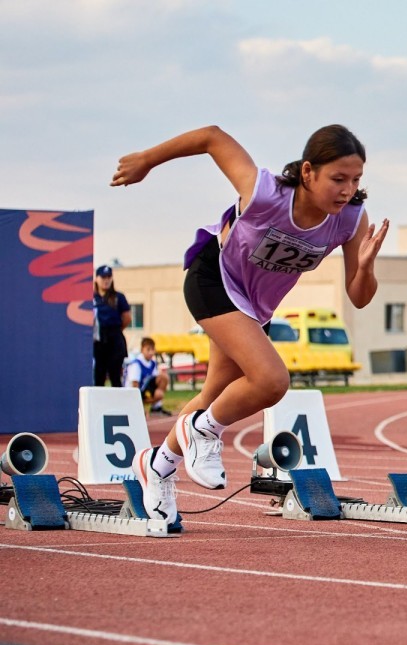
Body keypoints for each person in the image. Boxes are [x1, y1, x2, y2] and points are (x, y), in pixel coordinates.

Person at [111, 124, 390, 522]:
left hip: (255, 308)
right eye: (338, 179)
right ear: (308, 172)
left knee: (214, 396)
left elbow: (359, 297)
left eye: (356, 180)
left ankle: (157, 466)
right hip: (214, 279)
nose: (347, 190)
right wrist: (147, 160)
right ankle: (203, 431)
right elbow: (211, 137)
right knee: (271, 381)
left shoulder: (349, 219)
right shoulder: (265, 192)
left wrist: (365, 266)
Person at [92, 265, 131, 386]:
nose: (106, 280)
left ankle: (118, 398)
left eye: (109, 277)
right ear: (97, 278)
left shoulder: (118, 297)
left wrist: (117, 330)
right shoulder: (92, 298)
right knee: (99, 375)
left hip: (114, 338)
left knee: (115, 376)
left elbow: (127, 317)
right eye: (103, 277)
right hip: (98, 339)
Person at [125, 337, 172, 416]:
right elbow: (134, 385)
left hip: (145, 389)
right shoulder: (136, 364)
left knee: (164, 377)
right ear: (142, 349)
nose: (151, 352)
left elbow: (156, 379)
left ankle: (156, 407)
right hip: (134, 392)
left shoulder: (153, 363)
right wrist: (138, 405)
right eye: (148, 349)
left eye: (152, 349)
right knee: (159, 394)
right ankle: (136, 407)